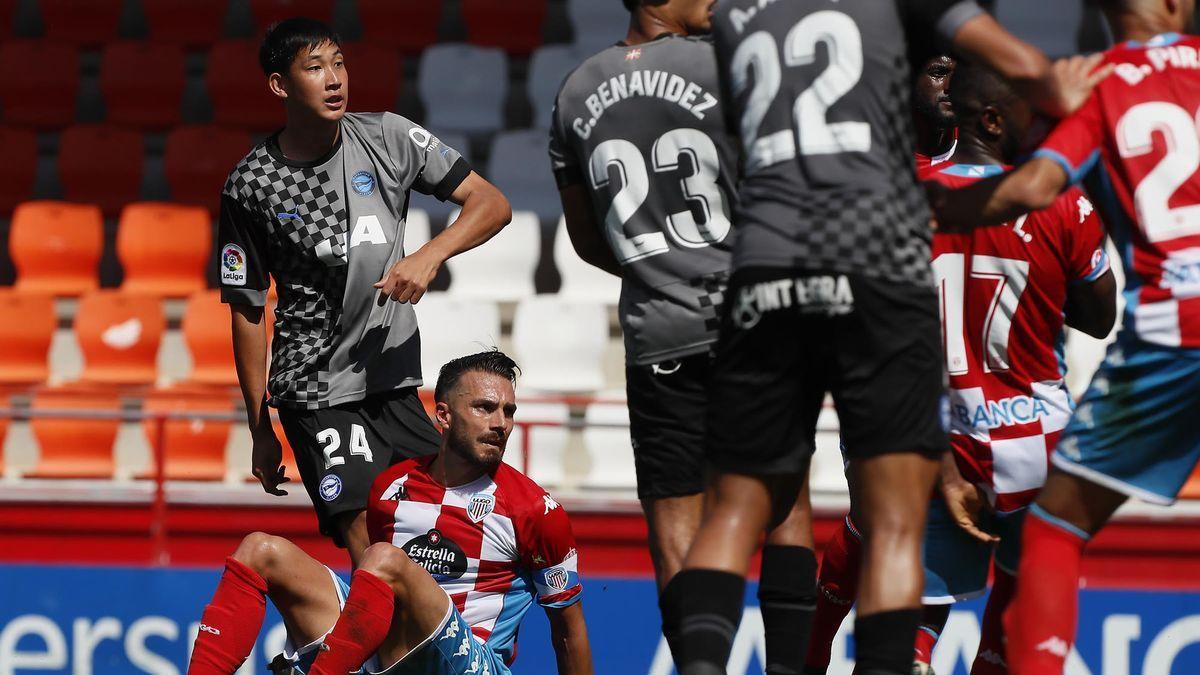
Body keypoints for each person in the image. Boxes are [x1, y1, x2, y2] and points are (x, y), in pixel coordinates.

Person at [662, 1, 1112, 673]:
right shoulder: (1059, 200)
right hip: (1033, 443)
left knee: (749, 510)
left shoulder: (740, 19)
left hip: (801, 289)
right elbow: (1100, 316)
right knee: (992, 584)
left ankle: (784, 662)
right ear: (994, 117)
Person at [927, 1, 1200, 672]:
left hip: (1170, 331)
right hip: (1032, 423)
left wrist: (933, 209)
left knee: (1053, 531)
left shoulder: (1097, 84)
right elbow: (1094, 310)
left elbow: (1033, 186)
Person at [548, 0, 818, 671]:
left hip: (657, 332)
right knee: (785, 508)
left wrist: (660, 267)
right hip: (754, 320)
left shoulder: (574, 90)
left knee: (675, 533)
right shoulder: (731, 61)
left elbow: (589, 241)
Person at [220, 18, 512, 568]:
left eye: (339, 63)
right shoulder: (252, 185)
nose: (334, 79)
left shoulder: (389, 138)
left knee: (439, 541)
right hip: (315, 390)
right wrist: (259, 428)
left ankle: (430, 650)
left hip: (393, 381)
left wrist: (429, 255)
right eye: (314, 68)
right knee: (372, 546)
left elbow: (492, 204)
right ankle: (384, 653)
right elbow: (247, 310)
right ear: (281, 86)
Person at [187, 350, 594, 675]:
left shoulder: (534, 510)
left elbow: (568, 629)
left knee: (383, 560)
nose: (500, 423)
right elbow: (372, 599)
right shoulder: (391, 488)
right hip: (392, 654)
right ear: (444, 416)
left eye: (508, 411)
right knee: (260, 549)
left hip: (473, 662)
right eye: (485, 408)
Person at [914, 55, 960, 173]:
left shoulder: (986, 154)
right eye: (938, 73)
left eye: (959, 76)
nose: (951, 86)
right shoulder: (880, 154)